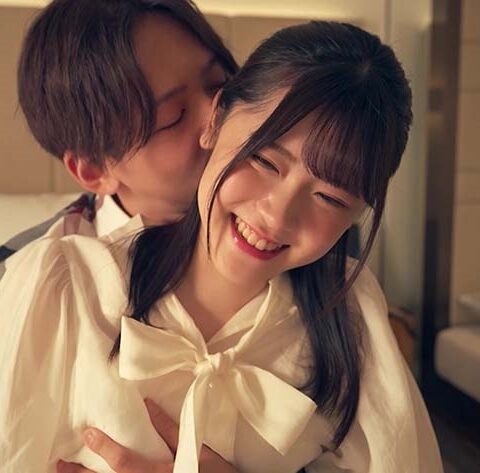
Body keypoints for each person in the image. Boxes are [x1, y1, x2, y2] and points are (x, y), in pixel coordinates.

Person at [0, 20, 444, 473]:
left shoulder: (350, 317)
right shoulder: (61, 283)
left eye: (330, 198)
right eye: (264, 160)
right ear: (216, 121)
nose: (277, 216)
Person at [0, 0, 237, 278]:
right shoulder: (26, 284)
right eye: (175, 116)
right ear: (95, 170)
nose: (217, 115)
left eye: (219, 83)